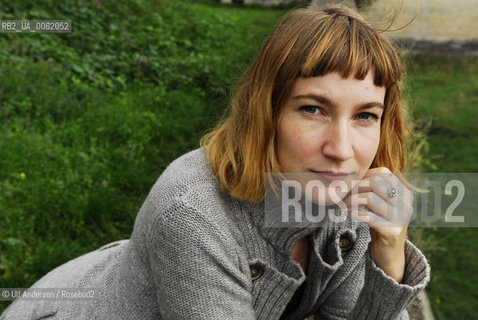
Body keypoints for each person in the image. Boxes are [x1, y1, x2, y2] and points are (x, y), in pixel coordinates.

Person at [1, 4, 430, 320]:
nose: (341, 149)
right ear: (268, 112)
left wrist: (389, 254)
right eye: (313, 109)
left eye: (364, 116)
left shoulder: (345, 191)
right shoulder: (192, 215)